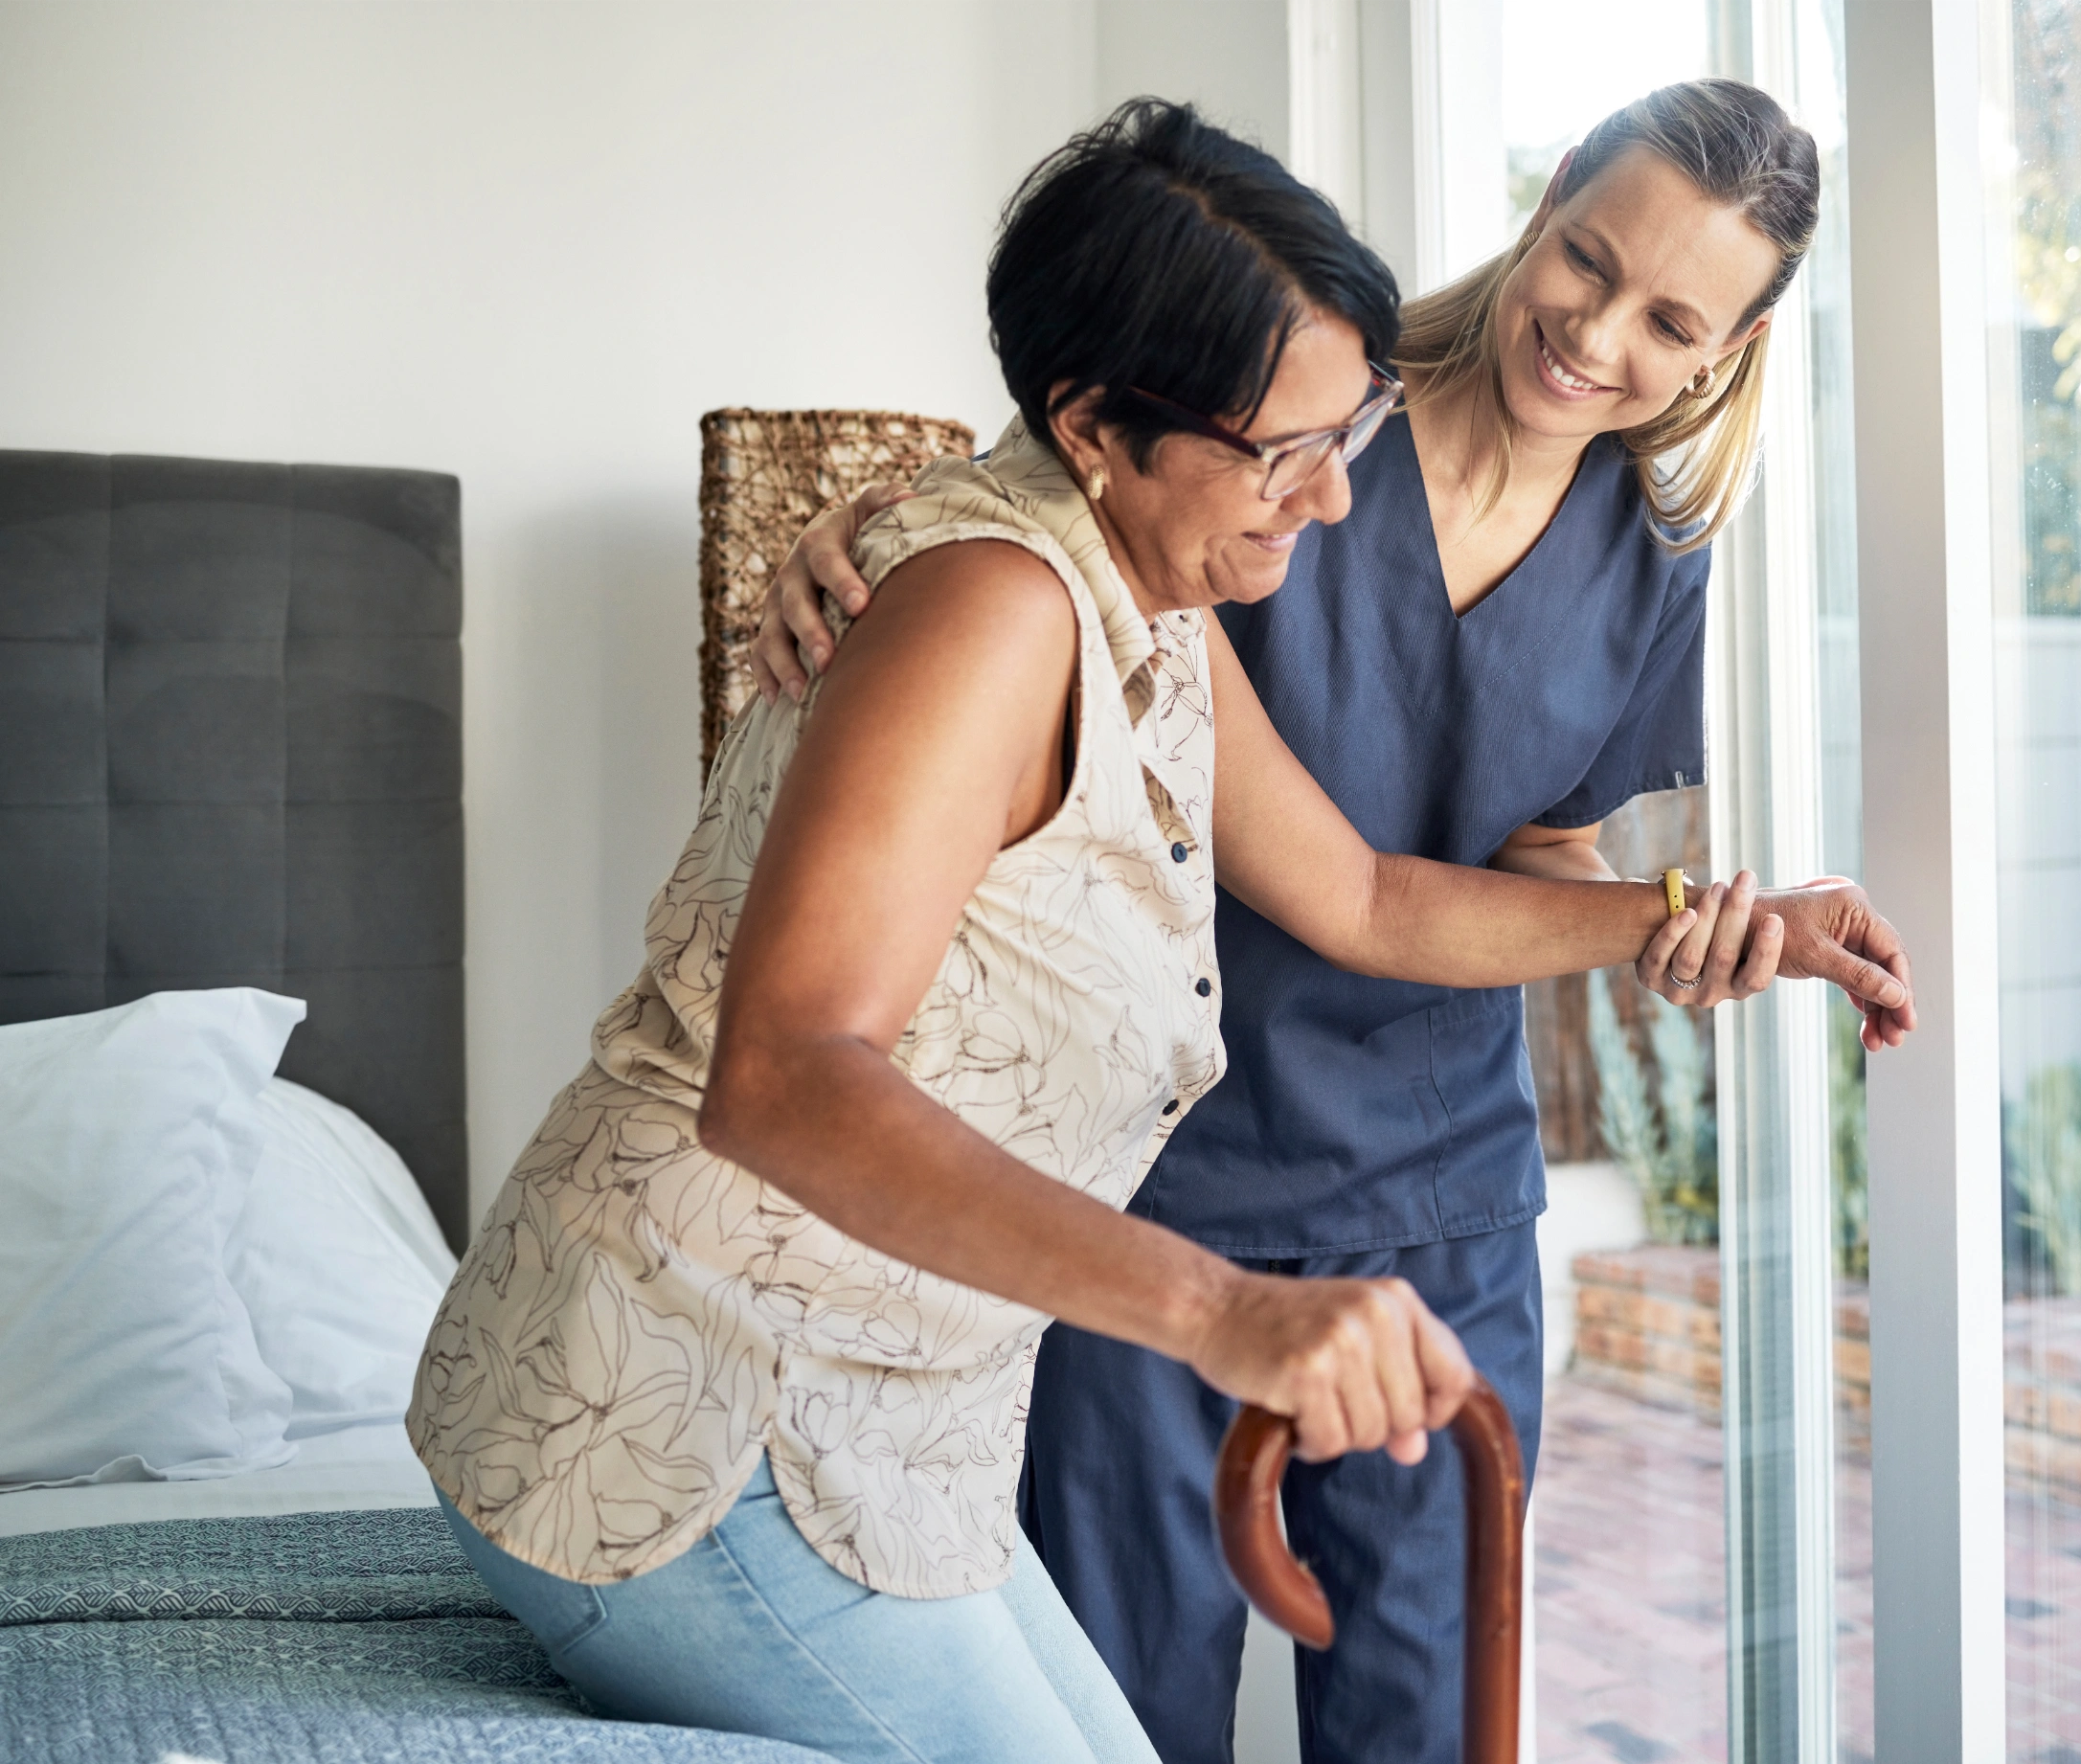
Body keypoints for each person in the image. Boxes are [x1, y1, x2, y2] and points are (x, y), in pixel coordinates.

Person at [409, 101, 1833, 1764]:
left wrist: (1705, 918)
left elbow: (1363, 892)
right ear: (1099, 432)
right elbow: (784, 1075)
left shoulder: (1160, 604)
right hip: (697, 1403)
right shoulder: (1006, 601)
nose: (1325, 504)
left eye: (1347, 434)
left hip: (914, 1403)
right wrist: (1224, 1308)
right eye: (1285, 453)